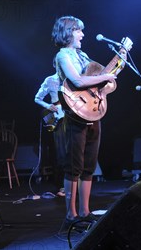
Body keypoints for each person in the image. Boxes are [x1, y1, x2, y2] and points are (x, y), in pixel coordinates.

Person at [52, 16, 125, 223]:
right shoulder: (63, 55)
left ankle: (84, 211)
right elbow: (77, 80)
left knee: (89, 164)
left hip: (93, 111)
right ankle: (70, 214)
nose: (82, 34)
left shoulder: (83, 55)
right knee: (74, 165)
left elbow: (101, 81)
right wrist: (105, 78)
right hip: (75, 113)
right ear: (68, 32)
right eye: (78, 31)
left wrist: (108, 86)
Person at [34, 62, 66, 197]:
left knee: (74, 150)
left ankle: (75, 184)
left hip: (73, 115)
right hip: (58, 117)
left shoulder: (72, 79)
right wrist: (48, 106)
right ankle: (61, 185)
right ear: (55, 65)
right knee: (61, 152)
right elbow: (37, 98)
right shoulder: (50, 80)